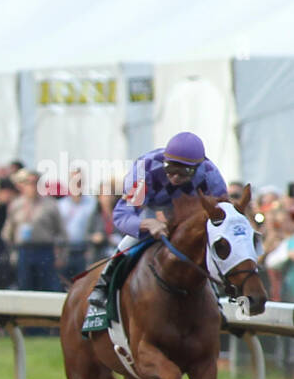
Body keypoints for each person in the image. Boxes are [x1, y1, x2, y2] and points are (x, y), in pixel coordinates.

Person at [85, 131, 227, 320]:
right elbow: (122, 215)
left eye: (184, 172)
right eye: (170, 168)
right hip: (151, 207)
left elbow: (223, 217)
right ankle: (103, 284)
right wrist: (147, 223)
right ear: (164, 160)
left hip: (189, 214)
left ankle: (217, 296)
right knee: (132, 240)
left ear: (198, 167)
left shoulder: (211, 177)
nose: (175, 177)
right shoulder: (146, 168)